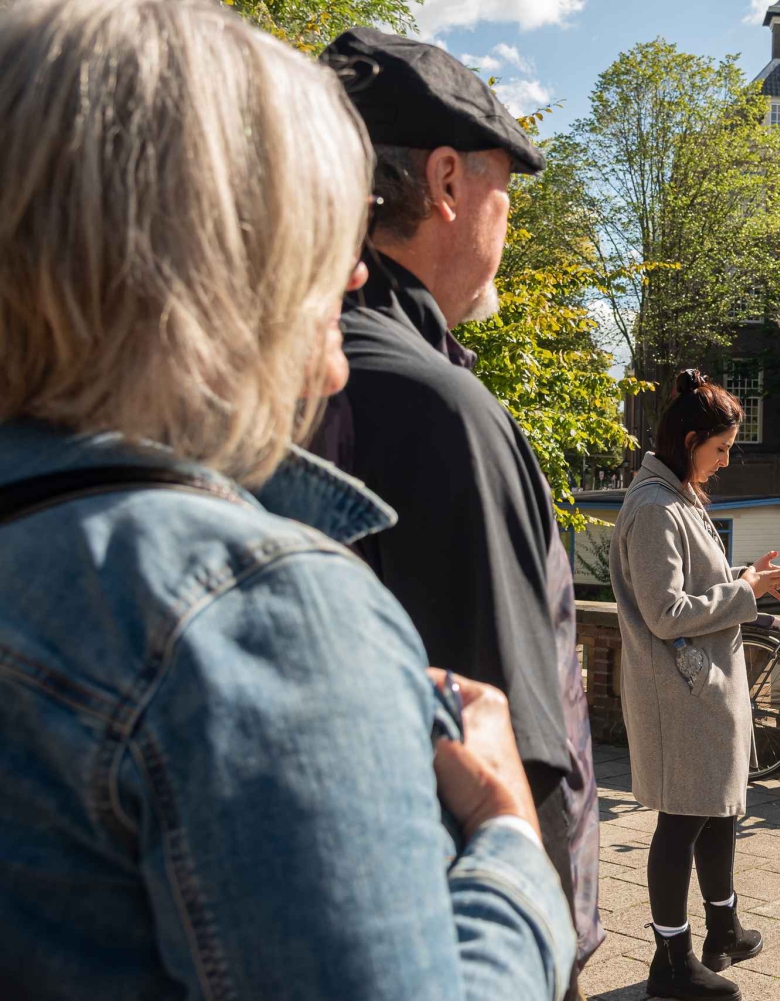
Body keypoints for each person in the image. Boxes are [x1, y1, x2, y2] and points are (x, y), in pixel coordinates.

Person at [0, 2, 573, 999]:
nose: (352, 271)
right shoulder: (253, 612)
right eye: (317, 227)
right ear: (214, 258)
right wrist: (512, 843)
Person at [310, 27, 603, 987]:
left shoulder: (254, 372)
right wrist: (547, 951)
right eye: (503, 187)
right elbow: (513, 752)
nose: (509, 217)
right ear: (444, 181)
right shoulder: (441, 411)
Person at [609, 371, 780, 1001]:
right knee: (681, 823)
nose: (725, 461)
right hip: (681, 693)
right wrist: (747, 591)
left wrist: (747, 579)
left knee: (718, 809)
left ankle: (724, 928)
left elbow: (694, 591)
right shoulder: (655, 507)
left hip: (701, 689)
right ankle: (671, 961)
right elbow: (665, 612)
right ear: (690, 439)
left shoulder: (678, 495)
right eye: (719, 448)